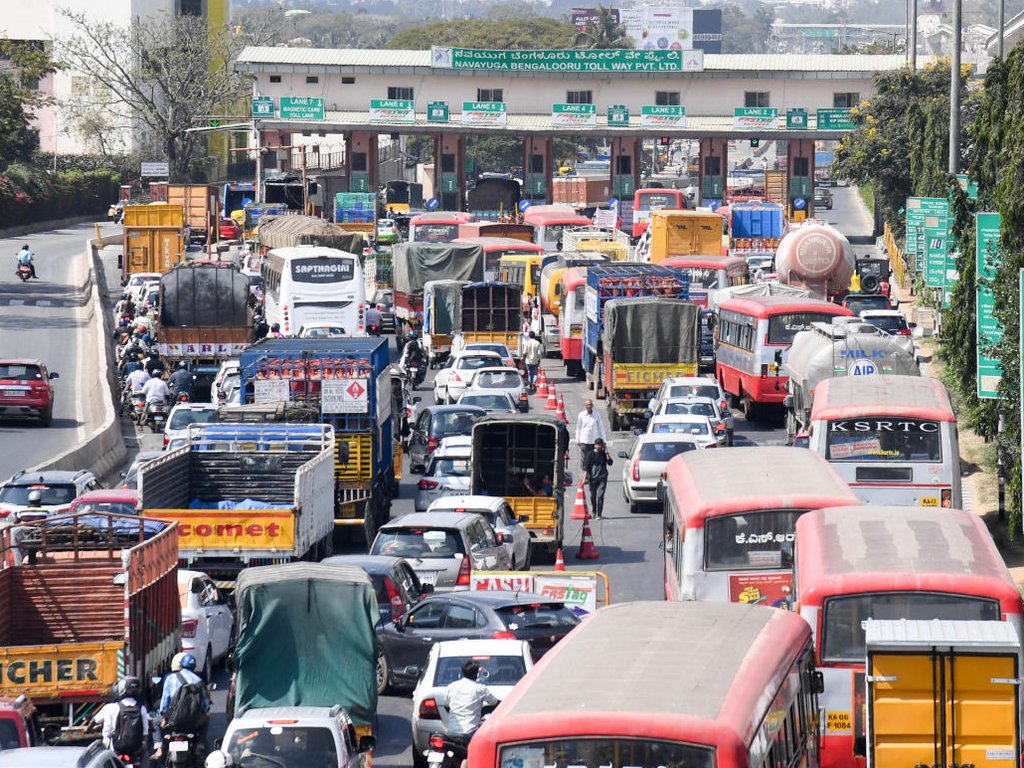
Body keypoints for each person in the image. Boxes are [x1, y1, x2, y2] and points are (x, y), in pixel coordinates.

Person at [155, 652, 210, 761]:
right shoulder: (199, 681)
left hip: (172, 721)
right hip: (193, 722)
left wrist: (164, 718)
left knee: (156, 722)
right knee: (207, 720)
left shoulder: (171, 679)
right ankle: (199, 745)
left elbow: (164, 705)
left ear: (181, 665)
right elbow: (205, 706)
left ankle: (159, 748)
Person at [94, 676, 150, 760]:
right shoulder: (142, 708)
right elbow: (145, 731)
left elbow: (98, 721)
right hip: (136, 751)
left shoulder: (111, 707)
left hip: (114, 750)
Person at [443, 660, 499, 744]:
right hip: (470, 733)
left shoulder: (451, 686)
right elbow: (495, 703)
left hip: (451, 733)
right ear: (477, 673)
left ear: (462, 672)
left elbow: (447, 705)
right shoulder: (480, 689)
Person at [582, 437, 613, 518]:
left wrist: (607, 452)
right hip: (592, 478)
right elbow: (586, 467)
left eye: (601, 445)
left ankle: (599, 514)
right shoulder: (590, 454)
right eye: (598, 445)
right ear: (595, 445)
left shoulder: (603, 453)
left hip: (602, 477)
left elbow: (610, 463)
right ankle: (594, 511)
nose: (599, 447)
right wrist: (584, 478)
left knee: (600, 496)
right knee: (593, 496)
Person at [575, 399, 607, 473]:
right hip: (584, 441)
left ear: (592, 406)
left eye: (590, 405)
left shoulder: (596, 415)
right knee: (584, 459)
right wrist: (577, 438)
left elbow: (601, 427)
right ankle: (585, 474)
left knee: (593, 458)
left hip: (593, 442)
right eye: (587, 405)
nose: (589, 406)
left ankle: (592, 473)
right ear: (585, 406)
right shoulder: (581, 415)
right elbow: (578, 428)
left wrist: (604, 440)